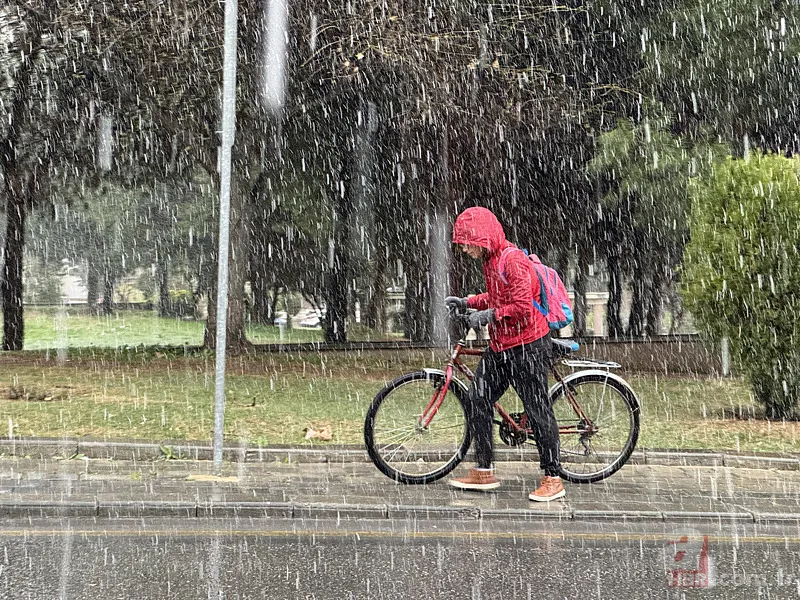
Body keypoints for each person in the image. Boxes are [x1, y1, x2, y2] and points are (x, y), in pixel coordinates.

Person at [445, 206, 565, 502]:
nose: (464, 249)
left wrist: (488, 316)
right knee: (477, 399)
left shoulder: (513, 261)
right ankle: (484, 470)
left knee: (537, 411)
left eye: (466, 243)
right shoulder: (491, 261)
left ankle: (553, 477)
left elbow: (523, 307)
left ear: (483, 238)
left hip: (528, 346)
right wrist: (468, 302)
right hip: (501, 347)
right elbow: (499, 297)